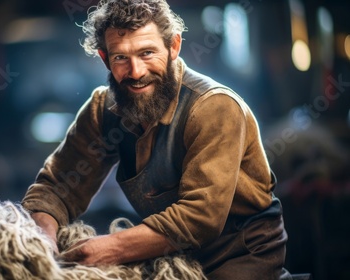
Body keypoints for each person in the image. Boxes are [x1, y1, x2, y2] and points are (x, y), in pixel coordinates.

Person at [22, 0, 288, 278]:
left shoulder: (214, 107)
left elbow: (200, 218)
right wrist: (44, 244)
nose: (136, 72)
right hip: (169, 255)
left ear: (173, 46)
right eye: (121, 58)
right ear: (104, 58)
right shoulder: (103, 110)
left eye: (147, 53)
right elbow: (57, 187)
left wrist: (111, 247)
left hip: (239, 258)